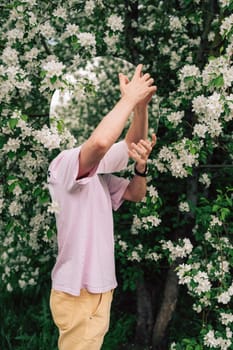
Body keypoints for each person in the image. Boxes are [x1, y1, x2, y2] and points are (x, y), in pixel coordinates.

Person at [48, 63, 157, 350]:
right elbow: (100, 142)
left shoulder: (98, 176)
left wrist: (140, 108)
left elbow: (135, 192)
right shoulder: (64, 164)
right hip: (77, 293)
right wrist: (128, 99)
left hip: (100, 288)